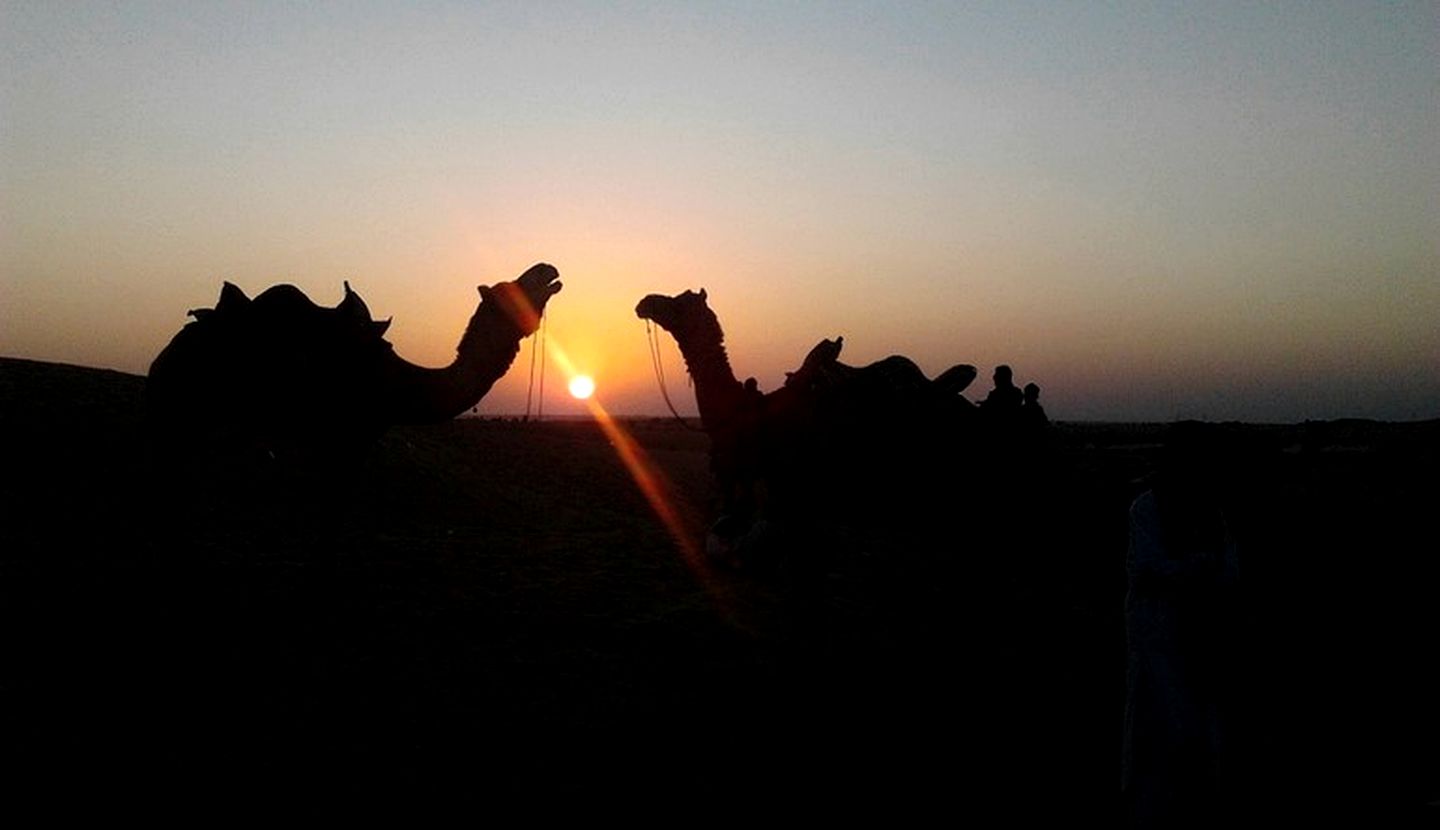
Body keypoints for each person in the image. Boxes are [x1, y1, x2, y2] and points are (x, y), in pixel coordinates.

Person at [1121, 424, 1240, 827]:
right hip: (1158, 631)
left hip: (1199, 629)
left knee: (1196, 716)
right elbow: (1147, 571)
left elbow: (1227, 570)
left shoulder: (1209, 510)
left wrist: (1198, 573)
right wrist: (1196, 569)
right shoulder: (1147, 508)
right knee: (1160, 718)